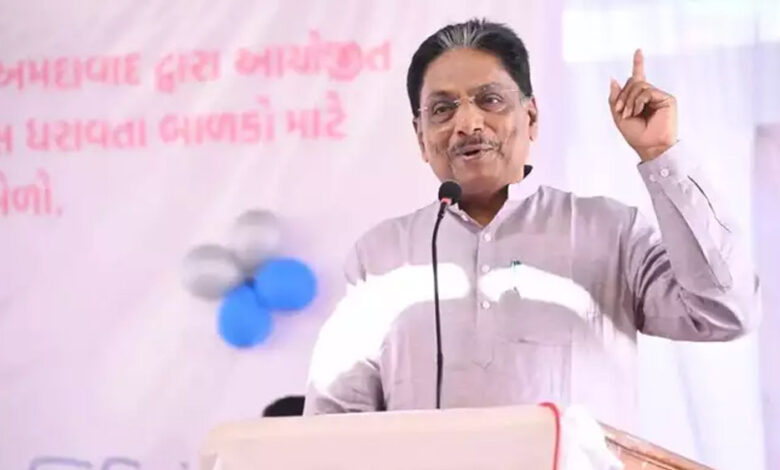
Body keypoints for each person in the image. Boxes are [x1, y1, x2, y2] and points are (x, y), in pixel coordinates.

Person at [303, 19, 760, 430]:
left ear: (532, 117)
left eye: (490, 100)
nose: (467, 123)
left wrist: (660, 153)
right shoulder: (379, 255)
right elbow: (334, 421)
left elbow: (725, 312)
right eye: (442, 109)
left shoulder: (609, 229)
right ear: (421, 138)